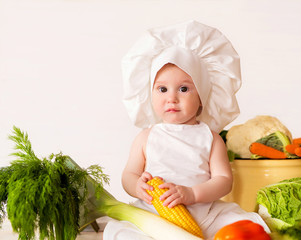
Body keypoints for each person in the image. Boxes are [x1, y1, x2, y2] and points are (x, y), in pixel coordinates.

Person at [103, 20, 270, 240]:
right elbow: (129, 175)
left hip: (206, 215)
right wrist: (137, 186)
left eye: (183, 89)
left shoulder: (210, 138)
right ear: (150, 94)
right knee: (121, 233)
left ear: (202, 95)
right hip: (155, 215)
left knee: (247, 226)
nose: (171, 98)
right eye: (162, 89)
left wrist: (192, 194)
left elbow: (223, 180)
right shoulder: (146, 137)